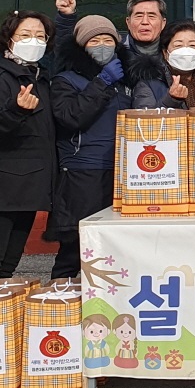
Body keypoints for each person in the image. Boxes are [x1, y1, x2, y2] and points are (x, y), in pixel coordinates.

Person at [0, 10, 57, 287]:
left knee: (7, 265)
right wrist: (15, 109)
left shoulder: (37, 79)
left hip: (26, 190)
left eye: (40, 36)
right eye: (25, 35)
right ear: (9, 40)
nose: (33, 41)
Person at [46, 14, 132, 280]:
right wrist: (102, 82)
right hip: (83, 172)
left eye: (108, 39)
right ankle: (59, 295)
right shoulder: (66, 80)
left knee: (115, 247)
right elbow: (71, 117)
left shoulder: (125, 80)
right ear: (81, 46)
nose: (102, 45)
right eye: (94, 40)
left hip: (121, 172)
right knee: (75, 247)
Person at [53, 0, 168, 67]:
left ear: (163, 23)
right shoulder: (110, 49)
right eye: (138, 16)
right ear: (128, 22)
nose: (145, 22)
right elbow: (66, 55)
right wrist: (66, 16)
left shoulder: (173, 52)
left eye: (152, 16)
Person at [129, 20, 195, 109]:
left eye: (193, 45)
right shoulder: (148, 83)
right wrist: (171, 100)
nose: (186, 50)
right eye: (178, 45)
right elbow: (144, 120)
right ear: (165, 53)